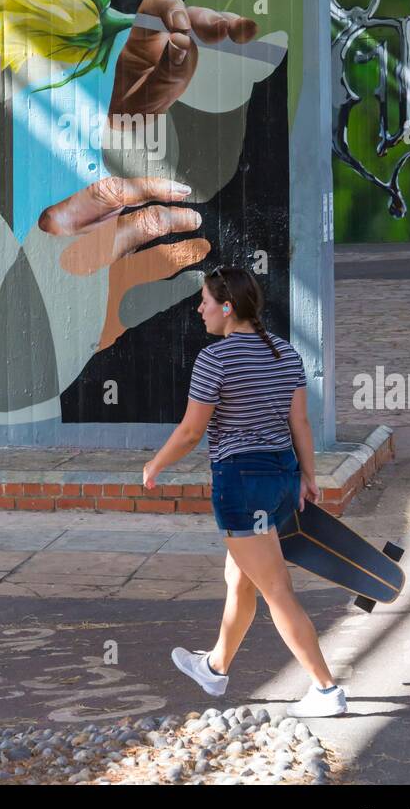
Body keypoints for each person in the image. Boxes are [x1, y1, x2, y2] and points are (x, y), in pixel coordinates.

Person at [142, 265, 347, 718]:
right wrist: (308, 476)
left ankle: (326, 690)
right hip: (279, 478)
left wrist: (156, 463)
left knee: (276, 589)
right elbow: (300, 423)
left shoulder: (215, 359)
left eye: (205, 302)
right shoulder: (285, 355)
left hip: (241, 485)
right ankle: (215, 667)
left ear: (227, 307)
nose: (200, 310)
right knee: (239, 578)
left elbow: (192, 431)